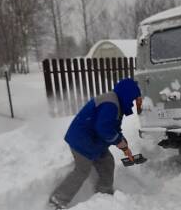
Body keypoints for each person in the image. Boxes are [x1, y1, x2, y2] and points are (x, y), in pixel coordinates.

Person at [49, 78, 142, 209]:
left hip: (94, 142)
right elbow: (103, 128)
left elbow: (113, 127)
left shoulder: (117, 103)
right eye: (133, 99)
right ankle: (58, 200)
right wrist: (118, 141)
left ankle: (104, 195)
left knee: (107, 161)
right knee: (82, 170)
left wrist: (123, 144)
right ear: (127, 94)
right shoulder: (111, 103)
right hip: (81, 140)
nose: (132, 104)